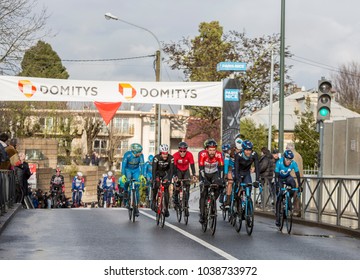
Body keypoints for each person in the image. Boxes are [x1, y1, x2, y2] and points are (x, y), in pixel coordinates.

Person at [198, 139, 224, 224]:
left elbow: (221, 169)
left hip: (214, 174)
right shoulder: (202, 154)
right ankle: (202, 214)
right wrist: (204, 180)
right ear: (206, 150)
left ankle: (212, 201)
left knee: (219, 186)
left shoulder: (219, 155)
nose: (212, 152)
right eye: (210, 150)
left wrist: (221, 179)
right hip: (204, 174)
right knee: (203, 193)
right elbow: (201, 169)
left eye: (214, 150)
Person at [274, 150, 302, 226]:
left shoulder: (293, 163)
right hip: (279, 178)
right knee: (279, 196)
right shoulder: (279, 162)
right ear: (284, 158)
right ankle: (277, 218)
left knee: (293, 184)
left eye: (290, 160)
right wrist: (277, 186)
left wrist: (299, 185)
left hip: (287, 177)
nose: (288, 162)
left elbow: (297, 174)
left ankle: (289, 199)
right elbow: (276, 175)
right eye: (287, 160)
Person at [120, 143, 145, 216]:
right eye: (140, 151)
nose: (141, 153)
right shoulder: (127, 155)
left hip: (136, 170)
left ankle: (136, 206)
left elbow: (142, 165)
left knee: (136, 186)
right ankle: (125, 192)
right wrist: (123, 175)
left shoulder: (141, 156)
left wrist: (142, 175)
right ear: (135, 152)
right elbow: (123, 166)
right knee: (127, 180)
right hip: (128, 169)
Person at [151, 144, 174, 217]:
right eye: (163, 154)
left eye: (166, 154)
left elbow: (171, 170)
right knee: (156, 185)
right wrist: (154, 179)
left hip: (165, 174)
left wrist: (169, 180)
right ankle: (154, 201)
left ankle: (166, 208)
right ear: (160, 153)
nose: (165, 156)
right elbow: (153, 170)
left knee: (166, 189)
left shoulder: (171, 158)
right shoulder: (156, 158)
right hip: (157, 173)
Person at [172, 142, 196, 207]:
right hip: (178, 170)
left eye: (184, 151)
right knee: (177, 184)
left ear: (186, 150)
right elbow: (173, 167)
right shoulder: (175, 155)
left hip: (186, 170)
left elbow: (192, 165)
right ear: (178, 150)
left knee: (187, 185)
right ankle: (175, 198)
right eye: (181, 151)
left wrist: (194, 175)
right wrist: (174, 176)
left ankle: (186, 202)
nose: (182, 153)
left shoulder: (189, 155)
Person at [286, 142, 303, 216]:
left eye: (286, 148)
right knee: (297, 194)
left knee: (293, 194)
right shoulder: (299, 155)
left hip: (293, 177)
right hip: (300, 177)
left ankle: (296, 210)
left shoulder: (291, 156)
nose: (285, 149)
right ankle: (298, 209)